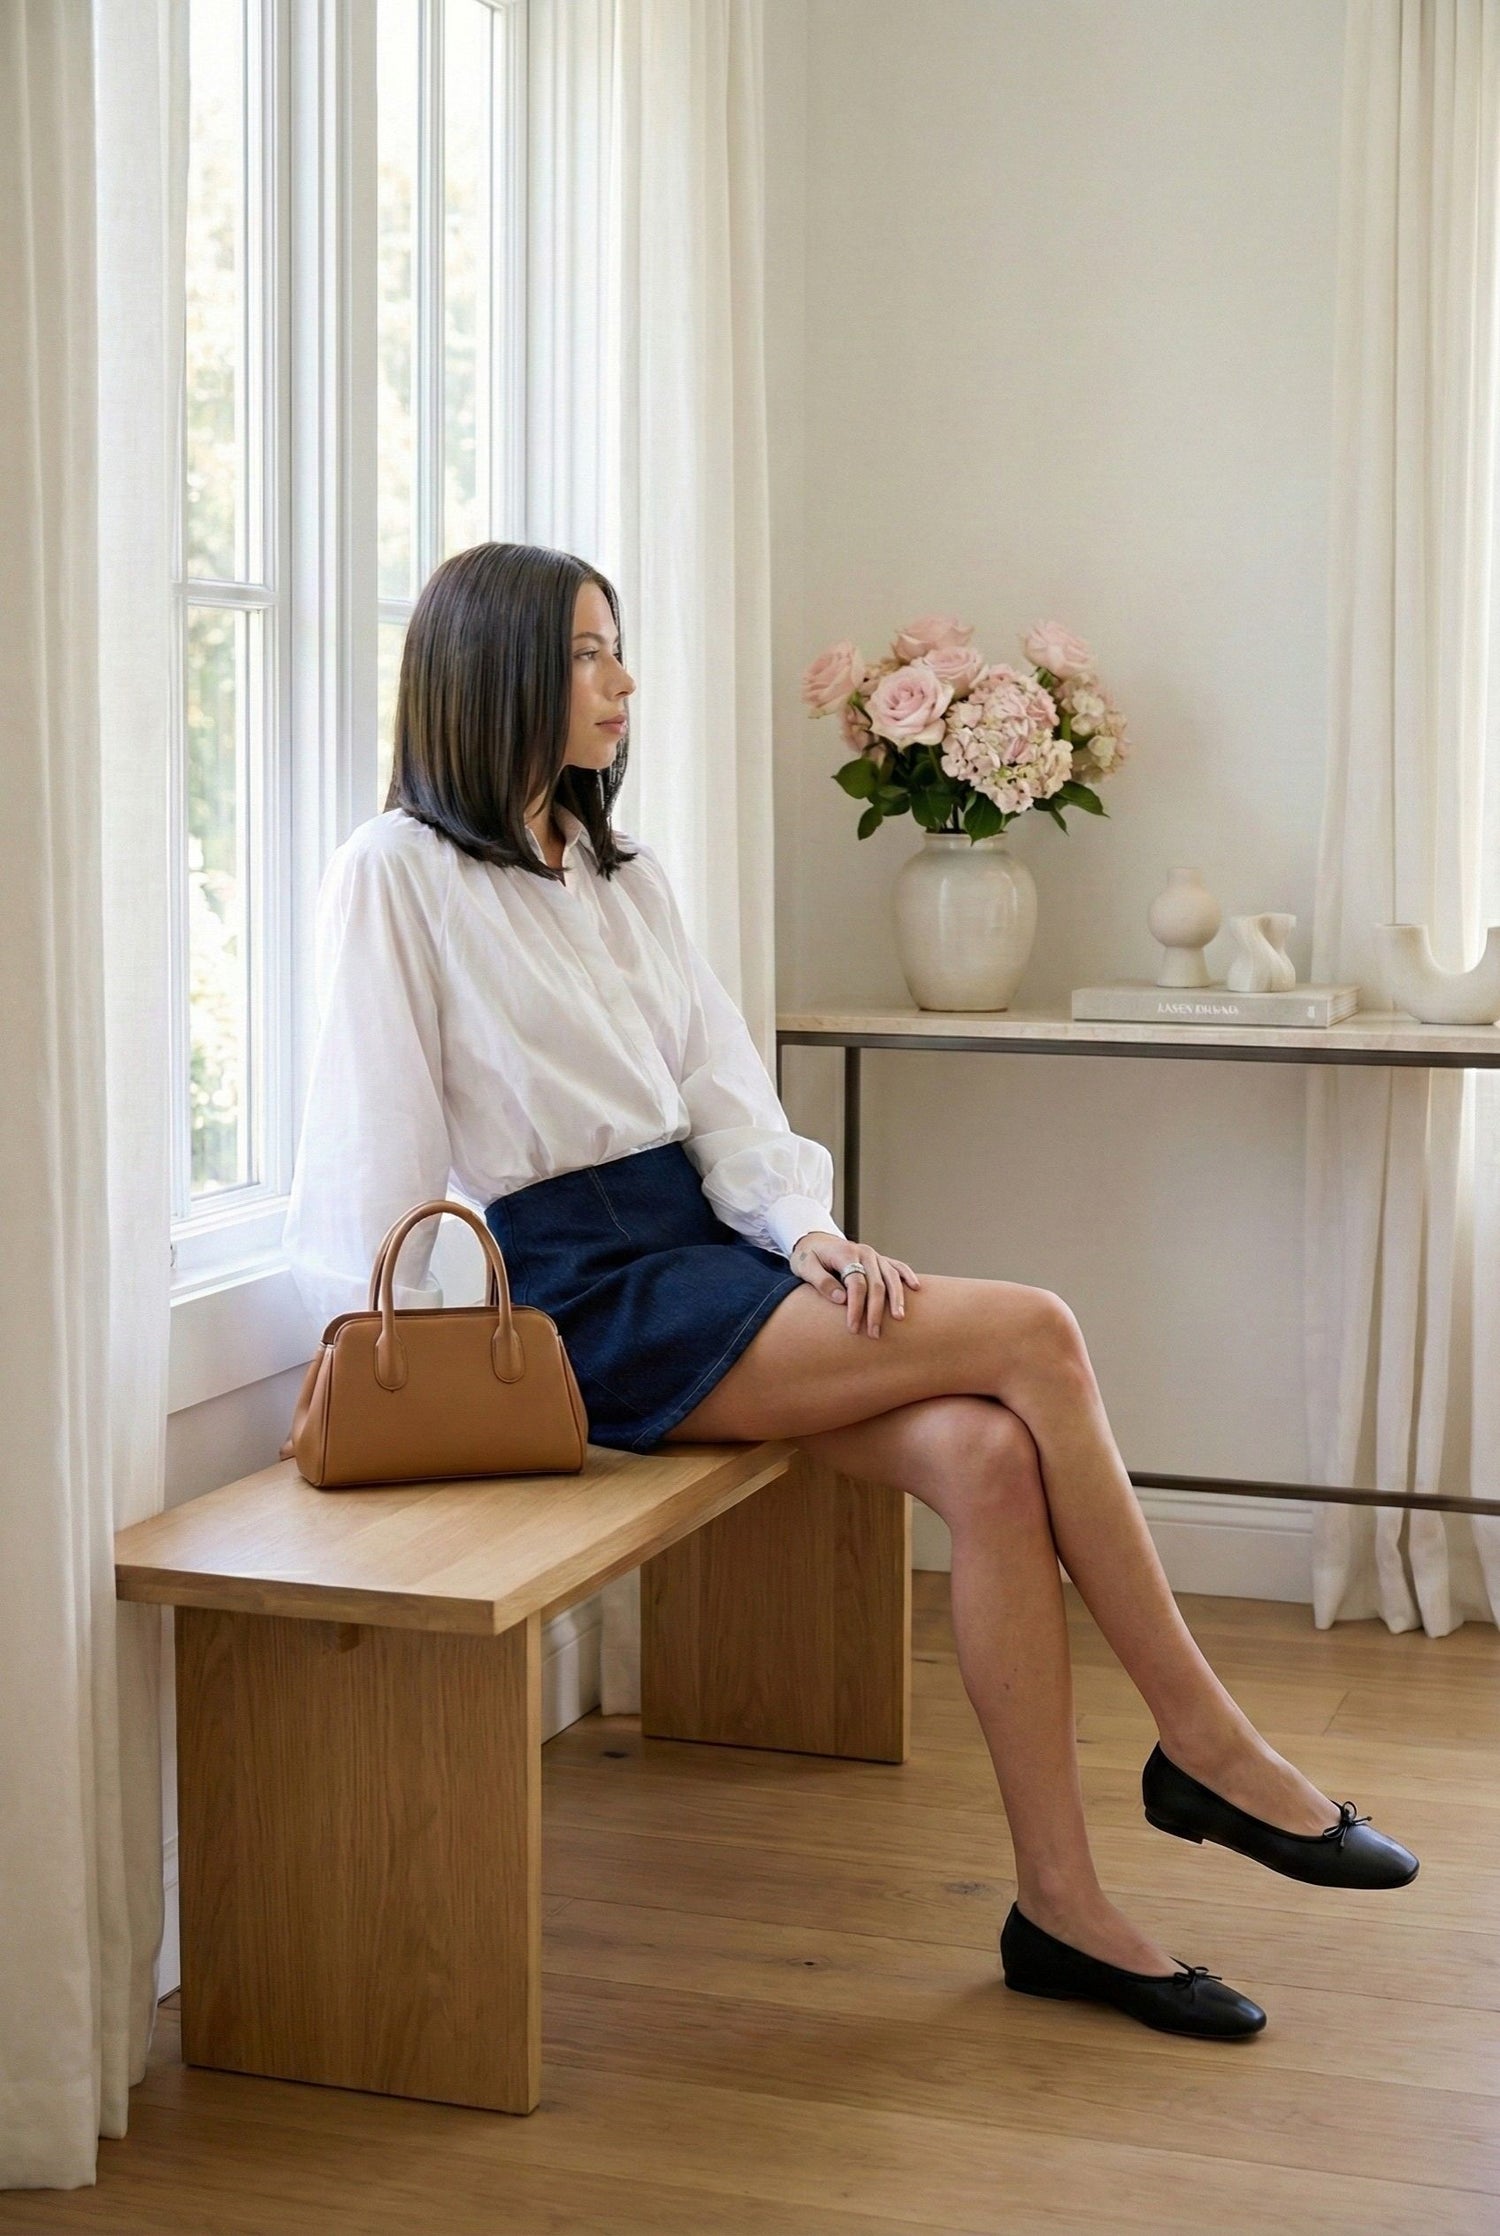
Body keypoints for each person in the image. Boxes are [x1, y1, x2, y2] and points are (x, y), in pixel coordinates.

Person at [284, 540, 1418, 2043]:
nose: (623, 681)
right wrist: (423, 1380)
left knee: (989, 1452)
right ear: (491, 670)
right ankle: (1205, 1744)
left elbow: (720, 1098)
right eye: (585, 654)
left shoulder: (620, 872)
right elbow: (377, 1158)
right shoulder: (396, 877)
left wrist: (801, 1231)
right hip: (569, 1301)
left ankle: (1062, 1907)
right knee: (1035, 1328)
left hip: (698, 1252)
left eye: (619, 647)